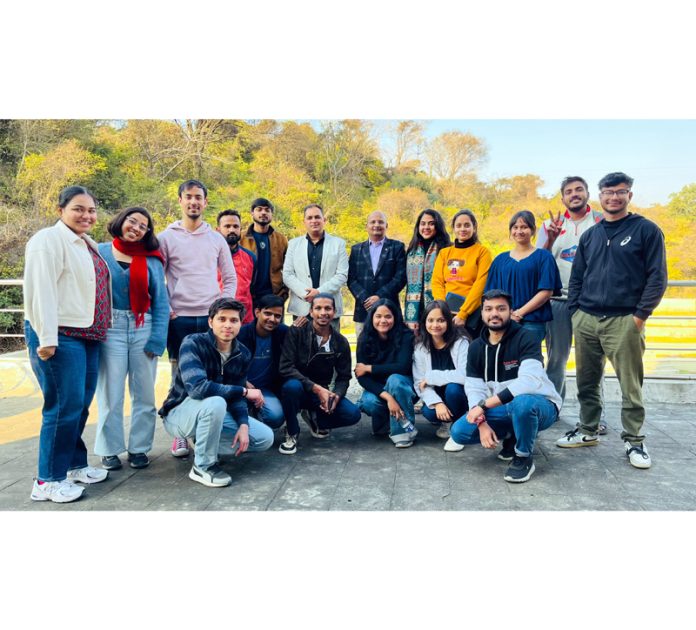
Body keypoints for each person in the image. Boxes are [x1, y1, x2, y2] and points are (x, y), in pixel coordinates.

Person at [557, 172, 668, 469]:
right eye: (608, 192)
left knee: (630, 385)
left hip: (624, 320)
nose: (614, 197)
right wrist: (576, 312)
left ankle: (634, 441)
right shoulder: (591, 235)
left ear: (629, 195)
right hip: (587, 319)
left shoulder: (646, 230)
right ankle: (587, 430)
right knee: (586, 382)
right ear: (600, 196)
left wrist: (640, 316)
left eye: (621, 192)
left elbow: (657, 277)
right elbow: (577, 276)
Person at [24, 185, 111, 503]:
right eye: (78, 208)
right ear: (60, 209)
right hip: (59, 336)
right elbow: (41, 291)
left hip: (88, 334)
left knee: (79, 404)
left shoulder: (86, 243)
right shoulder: (48, 240)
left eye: (91, 210)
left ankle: (73, 465)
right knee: (61, 407)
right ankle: (47, 480)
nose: (86, 215)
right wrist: (46, 338)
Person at [158, 179, 237, 458]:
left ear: (205, 202)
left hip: (208, 317)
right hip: (178, 317)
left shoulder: (216, 238)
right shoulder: (166, 237)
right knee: (179, 375)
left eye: (198, 197)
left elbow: (229, 277)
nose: (193, 202)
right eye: (188, 197)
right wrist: (167, 306)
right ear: (180, 200)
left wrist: (220, 309)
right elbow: (159, 276)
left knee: (211, 372)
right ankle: (180, 433)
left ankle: (208, 427)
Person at [449, 290, 562, 483]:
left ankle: (523, 457)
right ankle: (513, 434)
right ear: (482, 313)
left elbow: (530, 381)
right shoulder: (476, 347)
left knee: (523, 403)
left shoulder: (526, 337)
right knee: (459, 432)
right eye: (489, 309)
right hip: (502, 408)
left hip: (541, 405)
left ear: (510, 312)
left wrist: (483, 407)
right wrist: (481, 422)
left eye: (501, 309)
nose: (494, 313)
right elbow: (474, 388)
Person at [158, 298, 274, 487]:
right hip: (179, 414)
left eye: (234, 320)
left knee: (263, 438)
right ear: (211, 322)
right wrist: (245, 391)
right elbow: (197, 389)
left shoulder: (242, 354)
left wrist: (243, 424)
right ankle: (203, 466)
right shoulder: (193, 343)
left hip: (212, 412)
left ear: (240, 324)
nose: (228, 325)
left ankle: (203, 442)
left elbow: (236, 399)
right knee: (217, 401)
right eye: (222, 319)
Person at [95, 207, 169, 471]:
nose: (136, 228)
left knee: (144, 394)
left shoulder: (152, 260)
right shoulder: (100, 252)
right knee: (109, 393)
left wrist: (157, 340)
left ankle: (139, 448)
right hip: (110, 327)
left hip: (143, 326)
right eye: (132, 221)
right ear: (121, 221)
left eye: (143, 226)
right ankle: (109, 449)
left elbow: (161, 301)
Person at [537, 176, 607, 431]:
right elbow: (540, 260)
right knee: (556, 358)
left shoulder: (601, 220)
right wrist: (551, 238)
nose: (574, 194)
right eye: (569, 191)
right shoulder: (549, 224)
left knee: (592, 360)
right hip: (558, 301)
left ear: (588, 193)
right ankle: (552, 408)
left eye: (579, 189)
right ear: (562, 197)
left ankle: (593, 417)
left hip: (591, 301)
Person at [277, 294, 361, 454]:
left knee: (353, 414)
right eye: (318, 308)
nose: (323, 313)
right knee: (291, 387)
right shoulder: (297, 331)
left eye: (328, 308)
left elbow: (344, 377)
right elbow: (286, 368)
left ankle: (315, 417)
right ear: (311, 311)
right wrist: (316, 389)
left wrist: (336, 395)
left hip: (320, 394)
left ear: (335, 311)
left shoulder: (340, 342)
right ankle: (292, 431)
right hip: (298, 388)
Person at [484, 210, 562, 346]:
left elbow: (546, 291)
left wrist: (519, 313)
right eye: (515, 227)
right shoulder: (500, 260)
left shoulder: (543, 257)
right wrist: (504, 315)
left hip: (532, 322)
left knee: (529, 361)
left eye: (524, 227)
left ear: (533, 231)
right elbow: (491, 294)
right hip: (503, 321)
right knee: (504, 362)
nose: (519, 231)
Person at [355, 299, 417, 448]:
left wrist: (369, 368)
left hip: (403, 386)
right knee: (369, 403)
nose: (383, 320)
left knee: (395, 380)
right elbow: (361, 377)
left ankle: (402, 433)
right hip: (379, 389)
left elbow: (402, 367)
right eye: (378, 316)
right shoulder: (364, 338)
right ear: (372, 317)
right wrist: (389, 398)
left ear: (395, 317)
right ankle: (388, 423)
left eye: (388, 316)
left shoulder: (406, 336)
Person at [283, 203, 348, 332]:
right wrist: (305, 293)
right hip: (302, 308)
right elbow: (287, 274)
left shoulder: (338, 244)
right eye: (310, 218)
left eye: (317, 217)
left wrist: (318, 293)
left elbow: (342, 275)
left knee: (330, 349)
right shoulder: (293, 244)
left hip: (329, 309)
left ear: (324, 220)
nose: (314, 221)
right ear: (304, 221)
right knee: (301, 349)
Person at [412, 300, 469, 441]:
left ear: (449, 322)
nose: (435, 325)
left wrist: (432, 377)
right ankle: (446, 422)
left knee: (453, 388)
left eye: (441, 320)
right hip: (437, 395)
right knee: (428, 412)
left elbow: (465, 375)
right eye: (430, 320)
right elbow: (419, 383)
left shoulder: (460, 342)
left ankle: (459, 423)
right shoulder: (420, 347)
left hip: (459, 394)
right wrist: (437, 403)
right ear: (424, 322)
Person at [431, 209, 492, 338]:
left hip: (471, 315)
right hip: (445, 313)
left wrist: (463, 314)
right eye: (458, 225)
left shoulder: (482, 252)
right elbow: (437, 282)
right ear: (453, 228)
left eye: (467, 225)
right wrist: (443, 311)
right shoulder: (444, 253)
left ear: (474, 227)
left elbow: (481, 284)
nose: (462, 229)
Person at [347, 210, 407, 339]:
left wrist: (380, 296)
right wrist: (366, 299)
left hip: (390, 310)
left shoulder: (397, 247)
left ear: (386, 225)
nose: (376, 225)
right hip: (363, 310)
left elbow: (400, 277)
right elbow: (351, 279)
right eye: (373, 222)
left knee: (392, 350)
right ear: (366, 226)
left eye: (381, 222)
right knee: (364, 352)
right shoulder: (356, 249)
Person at [236, 294, 289, 431]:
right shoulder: (241, 334)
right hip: (240, 386)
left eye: (277, 316)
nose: (272, 319)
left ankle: (256, 417)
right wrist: (243, 382)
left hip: (265, 389)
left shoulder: (282, 332)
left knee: (276, 417)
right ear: (257, 312)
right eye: (267, 313)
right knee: (234, 416)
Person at [404, 208, 451, 332]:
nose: (426, 227)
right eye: (423, 223)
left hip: (438, 305)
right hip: (415, 308)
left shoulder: (446, 248)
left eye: (431, 223)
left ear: (438, 226)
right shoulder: (411, 250)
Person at [240, 197, 289, 305]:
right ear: (252, 213)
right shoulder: (241, 238)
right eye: (259, 209)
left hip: (274, 297)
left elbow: (289, 268)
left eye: (267, 210)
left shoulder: (281, 239)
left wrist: (284, 293)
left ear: (272, 214)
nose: (263, 213)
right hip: (248, 297)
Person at [216, 209, 256, 324]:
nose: (232, 230)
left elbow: (254, 288)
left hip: (245, 320)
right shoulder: (210, 257)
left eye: (235, 226)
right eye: (227, 226)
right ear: (218, 230)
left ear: (240, 229)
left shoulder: (250, 257)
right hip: (218, 319)